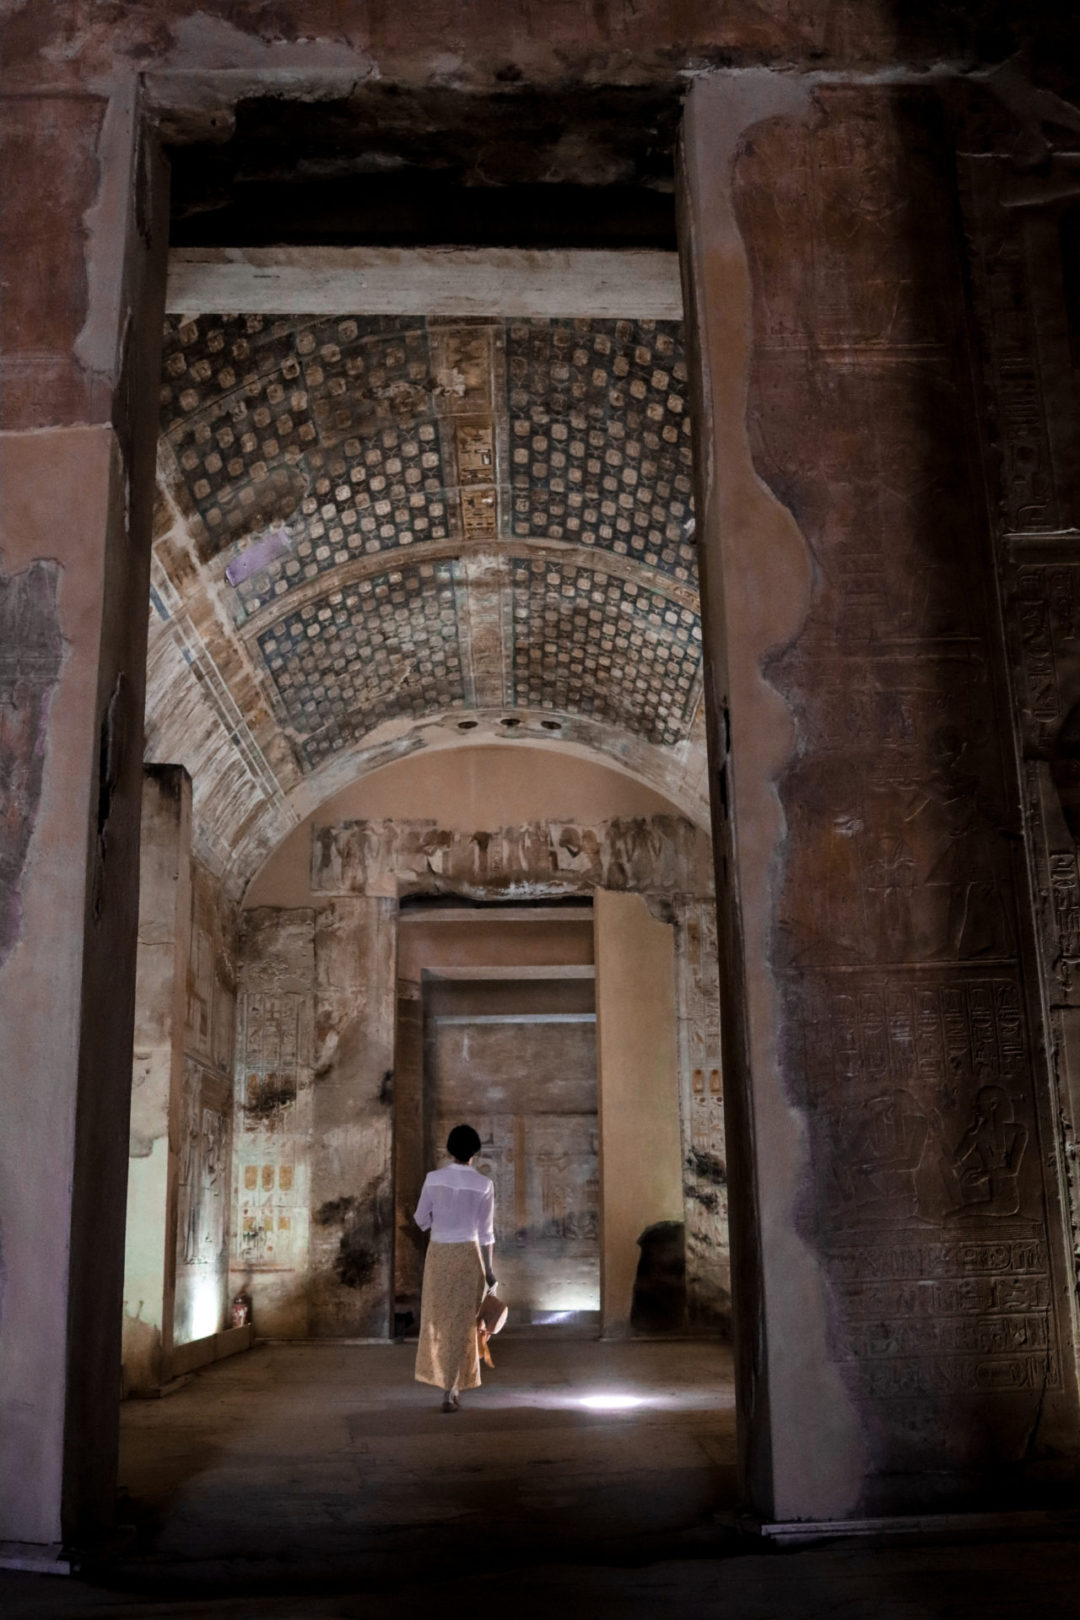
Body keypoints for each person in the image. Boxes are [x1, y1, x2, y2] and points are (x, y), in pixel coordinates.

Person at [413, 1123, 497, 1412]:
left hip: (439, 1254)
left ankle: (445, 1383)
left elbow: (420, 1218)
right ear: (475, 1151)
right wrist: (489, 1271)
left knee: (438, 1319)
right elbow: (487, 1234)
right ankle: (454, 1388)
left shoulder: (433, 1179)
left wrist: (440, 1224)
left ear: (449, 1149)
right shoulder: (484, 1185)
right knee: (464, 1323)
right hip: (468, 1256)